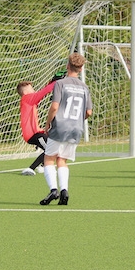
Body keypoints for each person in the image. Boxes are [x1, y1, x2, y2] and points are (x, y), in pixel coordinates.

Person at [39, 52, 92, 206]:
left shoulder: (60, 84)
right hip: (76, 128)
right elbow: (89, 112)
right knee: (62, 160)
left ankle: (53, 190)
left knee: (49, 158)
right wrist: (77, 121)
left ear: (67, 66)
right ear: (81, 69)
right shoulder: (85, 87)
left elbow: (55, 106)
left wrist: (48, 123)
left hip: (60, 126)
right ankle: (64, 191)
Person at [17, 78, 57, 175]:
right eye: (31, 89)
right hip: (33, 134)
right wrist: (56, 82)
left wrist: (52, 82)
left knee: (54, 147)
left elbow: (43, 91)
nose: (34, 90)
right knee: (50, 149)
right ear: (25, 92)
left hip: (37, 133)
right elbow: (43, 92)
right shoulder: (27, 98)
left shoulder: (29, 100)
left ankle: (43, 166)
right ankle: (30, 169)